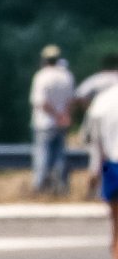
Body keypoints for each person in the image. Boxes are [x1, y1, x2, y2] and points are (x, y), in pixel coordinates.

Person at [84, 77, 118, 259]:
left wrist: (93, 173)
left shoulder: (103, 100)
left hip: (112, 167)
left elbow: (94, 141)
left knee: (115, 226)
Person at [29, 44, 75, 194]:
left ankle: (40, 186)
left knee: (42, 156)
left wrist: (56, 115)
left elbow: (41, 102)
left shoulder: (41, 76)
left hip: (44, 123)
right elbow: (70, 100)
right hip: (62, 123)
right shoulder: (66, 76)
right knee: (60, 156)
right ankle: (60, 186)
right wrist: (64, 116)